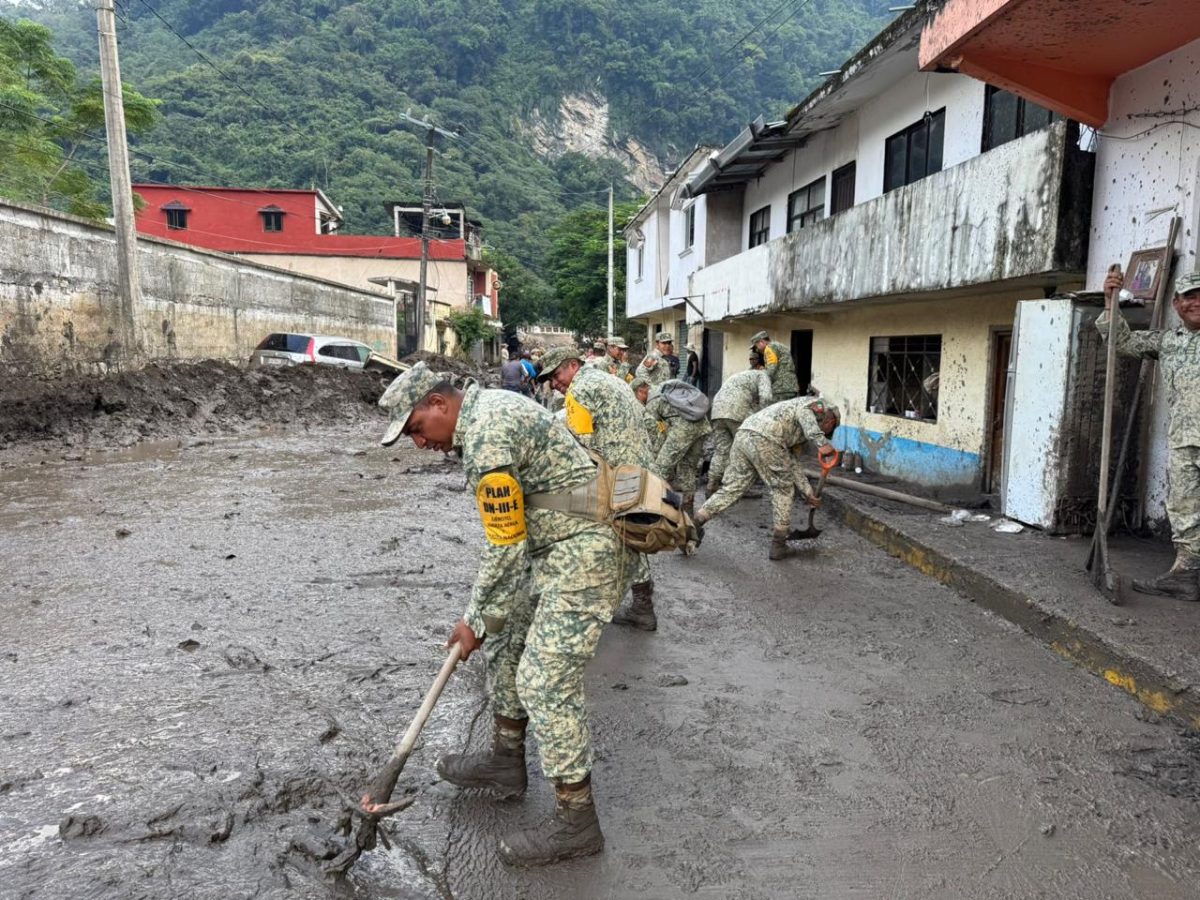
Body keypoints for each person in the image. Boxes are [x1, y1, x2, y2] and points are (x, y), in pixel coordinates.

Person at [373, 362, 621, 865]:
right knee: (506, 643)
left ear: (439, 405)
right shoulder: (483, 413)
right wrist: (487, 622)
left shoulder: (486, 434)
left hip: (585, 548)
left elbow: (504, 546)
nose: (420, 444)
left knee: (545, 681)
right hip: (550, 546)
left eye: (417, 429)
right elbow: (511, 541)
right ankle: (506, 761)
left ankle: (577, 822)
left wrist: (474, 621)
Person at [537, 346, 660, 631]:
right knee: (628, 534)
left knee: (618, 536)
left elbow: (579, 445)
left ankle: (636, 605)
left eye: (556, 375)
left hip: (618, 476)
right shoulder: (612, 379)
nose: (555, 384)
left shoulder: (578, 391)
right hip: (641, 470)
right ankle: (639, 603)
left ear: (572, 366)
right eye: (551, 380)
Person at [1099, 267, 1200, 600]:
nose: (1195, 302)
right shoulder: (1169, 341)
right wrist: (1110, 301)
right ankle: (1187, 574)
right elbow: (1121, 342)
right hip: (1185, 442)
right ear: (1176, 304)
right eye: (1189, 296)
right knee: (1184, 508)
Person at [695, 397, 840, 560]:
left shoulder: (794, 423)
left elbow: (791, 460)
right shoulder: (817, 406)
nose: (826, 433)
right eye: (828, 430)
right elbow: (804, 412)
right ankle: (779, 545)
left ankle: (698, 519)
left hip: (744, 434)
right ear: (830, 421)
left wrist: (808, 492)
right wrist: (821, 442)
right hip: (767, 437)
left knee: (734, 487)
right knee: (783, 489)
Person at [644, 379, 711, 519]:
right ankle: (688, 512)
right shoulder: (666, 388)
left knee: (660, 468)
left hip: (683, 429)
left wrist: (656, 454)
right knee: (688, 467)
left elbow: (652, 430)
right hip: (702, 425)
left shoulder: (652, 401)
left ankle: (651, 511)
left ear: (641, 391)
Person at [707, 357, 773, 496]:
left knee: (722, 450)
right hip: (738, 411)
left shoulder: (741, 376)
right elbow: (766, 397)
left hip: (717, 411)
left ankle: (712, 483)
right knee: (744, 450)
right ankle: (739, 488)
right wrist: (762, 418)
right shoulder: (763, 375)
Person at [750, 330, 801, 401]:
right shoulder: (780, 346)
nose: (757, 349)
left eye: (756, 345)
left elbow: (771, 369)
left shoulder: (769, 348)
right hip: (791, 387)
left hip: (780, 389)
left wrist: (760, 377)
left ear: (761, 342)